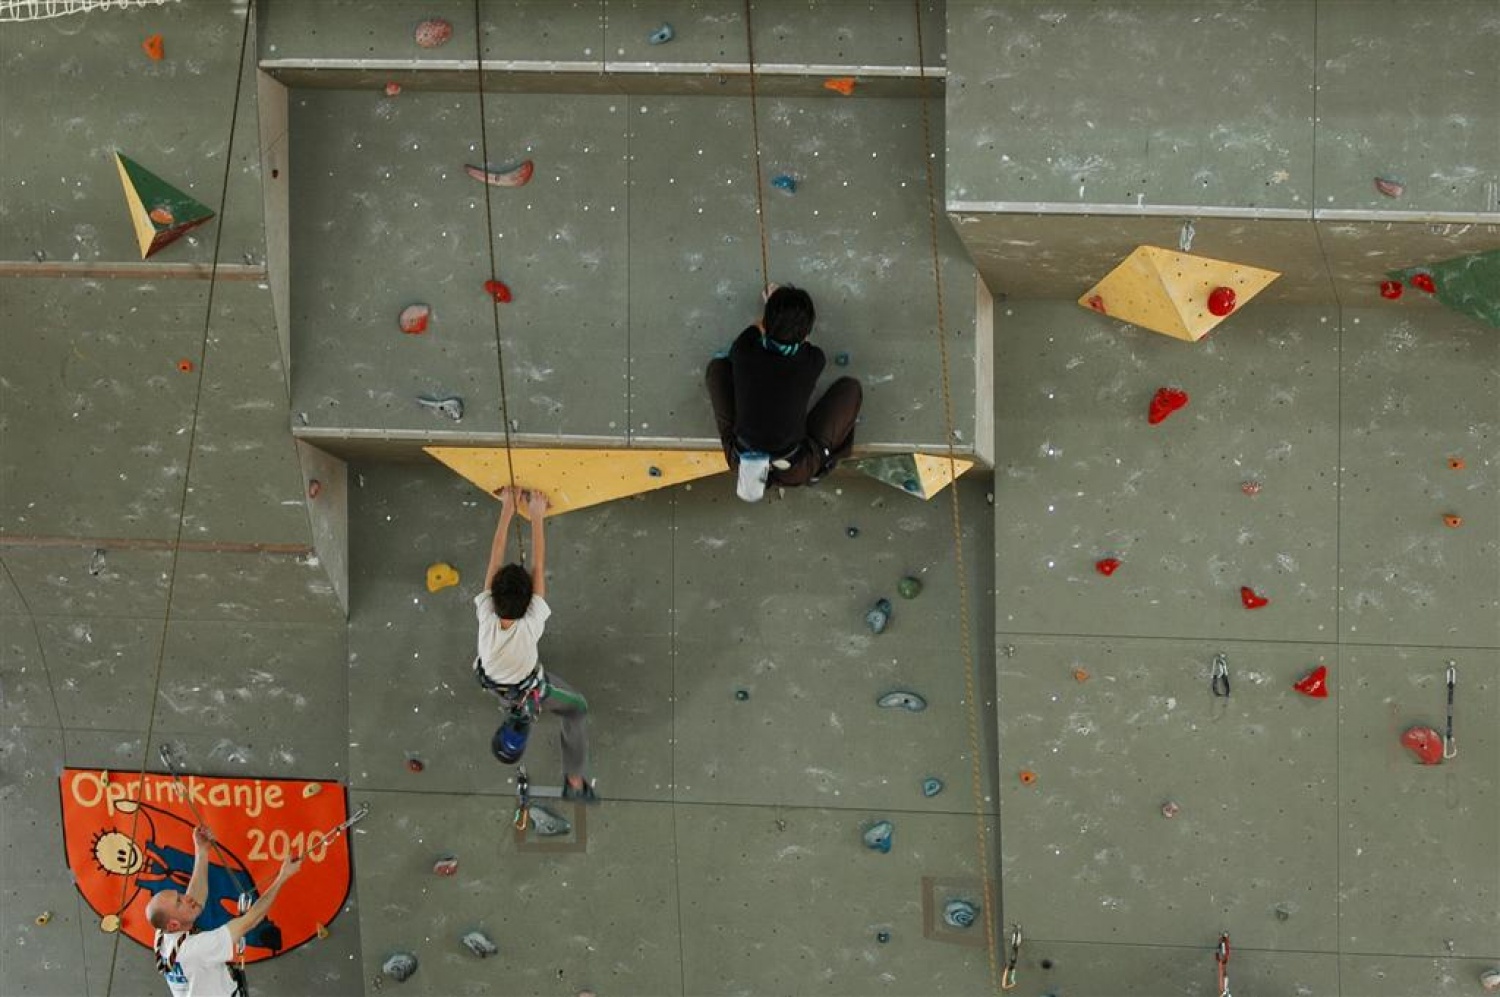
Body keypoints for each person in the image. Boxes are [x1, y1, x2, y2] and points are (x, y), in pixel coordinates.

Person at [475, 486, 595, 801]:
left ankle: (519, 718)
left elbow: (536, 566)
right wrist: (509, 506)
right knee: (576, 709)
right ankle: (574, 776)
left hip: (508, 683)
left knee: (523, 701)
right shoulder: (486, 612)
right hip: (505, 683)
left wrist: (536, 515)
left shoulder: (528, 621)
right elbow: (500, 557)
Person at [705, 283, 862, 500]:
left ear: (766, 324)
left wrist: (774, 307)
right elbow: (802, 345)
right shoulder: (813, 361)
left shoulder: (744, 350)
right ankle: (817, 466)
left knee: (717, 369)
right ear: (807, 333)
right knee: (850, 389)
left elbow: (757, 328)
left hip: (743, 457)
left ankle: (771, 471)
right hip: (792, 466)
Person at [147, 826, 301, 997]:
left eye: (180, 895)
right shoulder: (196, 949)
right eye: (179, 902)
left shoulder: (163, 934)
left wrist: (202, 851)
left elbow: (194, 899)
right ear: (174, 924)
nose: (187, 897)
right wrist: (282, 878)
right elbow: (252, 919)